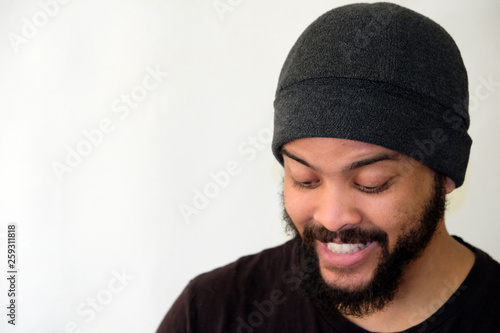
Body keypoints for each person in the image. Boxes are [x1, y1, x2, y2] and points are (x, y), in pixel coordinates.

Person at [157, 3, 500, 332]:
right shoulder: (211, 313)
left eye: (371, 183)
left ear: (445, 174)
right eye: (305, 180)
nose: (332, 218)